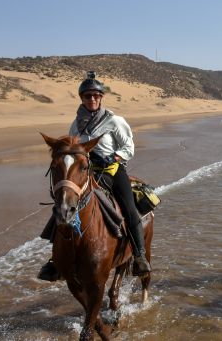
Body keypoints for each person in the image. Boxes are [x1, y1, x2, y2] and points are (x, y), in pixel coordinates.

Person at [37, 71, 151, 281]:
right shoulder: (75, 124)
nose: (92, 99)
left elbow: (129, 146)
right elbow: (72, 149)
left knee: (130, 209)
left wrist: (115, 157)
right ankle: (56, 259)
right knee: (63, 204)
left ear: (101, 98)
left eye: (96, 95)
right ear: (82, 98)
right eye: (88, 96)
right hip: (85, 173)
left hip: (112, 172)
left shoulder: (115, 120)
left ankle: (139, 255)